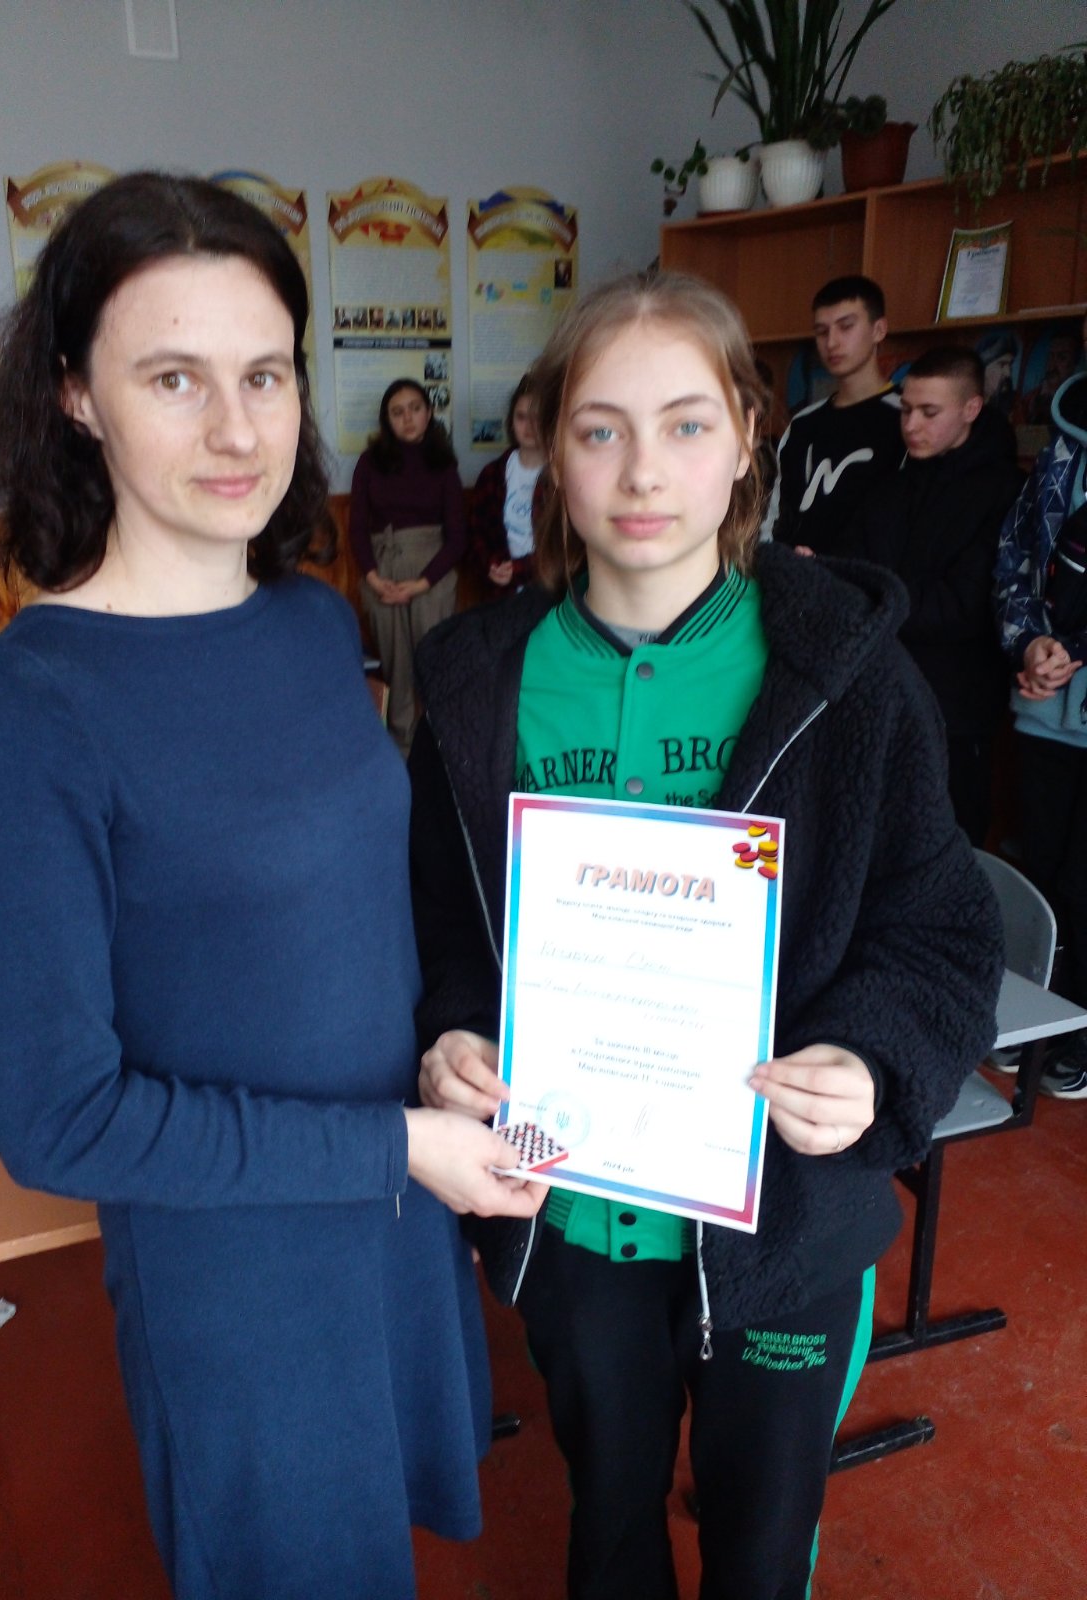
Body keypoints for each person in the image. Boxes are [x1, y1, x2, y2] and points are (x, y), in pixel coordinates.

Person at [0, 172, 544, 1600]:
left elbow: (356, 914)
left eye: (265, 373)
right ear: (76, 394)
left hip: (397, 1211)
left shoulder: (310, 624)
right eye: (174, 377)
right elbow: (59, 1120)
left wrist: (443, 1045)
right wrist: (395, 1147)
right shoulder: (29, 709)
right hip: (243, 1273)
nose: (237, 428)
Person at [408, 270, 1003, 1600]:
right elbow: (446, 919)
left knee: (759, 1550)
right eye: (601, 428)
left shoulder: (849, 675)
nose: (641, 471)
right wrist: (451, 1030)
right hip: (575, 1222)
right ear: (550, 449)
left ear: (746, 437)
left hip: (784, 1231)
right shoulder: (474, 684)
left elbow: (943, 931)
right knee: (609, 1522)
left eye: (685, 424)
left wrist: (872, 1061)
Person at [837, 346, 1023, 844]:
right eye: (905, 410)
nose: (911, 425)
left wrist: (877, 600)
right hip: (879, 692)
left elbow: (965, 606)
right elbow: (848, 571)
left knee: (949, 839)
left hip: (957, 709)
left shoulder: (1006, 490)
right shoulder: (890, 486)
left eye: (929, 412)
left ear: (971, 409)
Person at [996, 364, 1087, 1099]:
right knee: (1045, 875)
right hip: (1044, 707)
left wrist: (1075, 649)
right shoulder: (1063, 440)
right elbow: (1015, 555)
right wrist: (1030, 644)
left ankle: (1080, 1030)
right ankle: (1038, 1020)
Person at [350, 378, 466, 753]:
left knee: (434, 661)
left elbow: (458, 537)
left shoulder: (443, 464)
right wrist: (374, 579)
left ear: (428, 412)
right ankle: (401, 748)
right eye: (397, 412)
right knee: (395, 666)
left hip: (431, 572)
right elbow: (357, 528)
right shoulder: (369, 463)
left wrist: (421, 584)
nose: (408, 418)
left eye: (415, 408)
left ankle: (440, 748)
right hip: (382, 569)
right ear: (387, 420)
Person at [764, 274, 902, 556]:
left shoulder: (906, 419)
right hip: (795, 574)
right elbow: (774, 518)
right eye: (821, 331)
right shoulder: (802, 425)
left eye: (846, 327)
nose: (832, 342)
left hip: (866, 577)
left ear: (879, 330)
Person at [467, 373, 548, 594]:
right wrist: (491, 564)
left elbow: (567, 548)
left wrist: (520, 569)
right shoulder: (493, 474)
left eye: (537, 418)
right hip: (501, 593)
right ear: (511, 421)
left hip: (550, 591)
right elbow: (477, 533)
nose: (529, 426)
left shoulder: (564, 477)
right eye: (521, 417)